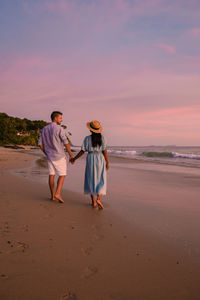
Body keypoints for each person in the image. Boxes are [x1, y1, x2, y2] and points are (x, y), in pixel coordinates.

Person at [71, 120, 109, 209]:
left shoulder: (87, 138)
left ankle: (93, 202)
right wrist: (107, 162)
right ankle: (99, 199)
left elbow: (82, 151)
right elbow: (105, 151)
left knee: (91, 179)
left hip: (91, 158)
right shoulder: (103, 138)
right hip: (100, 158)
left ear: (90, 130)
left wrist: (74, 158)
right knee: (101, 179)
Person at [38, 111, 73, 203]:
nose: (61, 119)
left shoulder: (44, 129)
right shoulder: (59, 128)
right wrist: (70, 154)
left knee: (51, 175)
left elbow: (40, 144)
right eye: (60, 118)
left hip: (49, 156)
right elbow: (65, 142)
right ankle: (58, 193)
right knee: (62, 175)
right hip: (59, 156)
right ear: (55, 118)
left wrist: (46, 152)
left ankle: (52, 196)